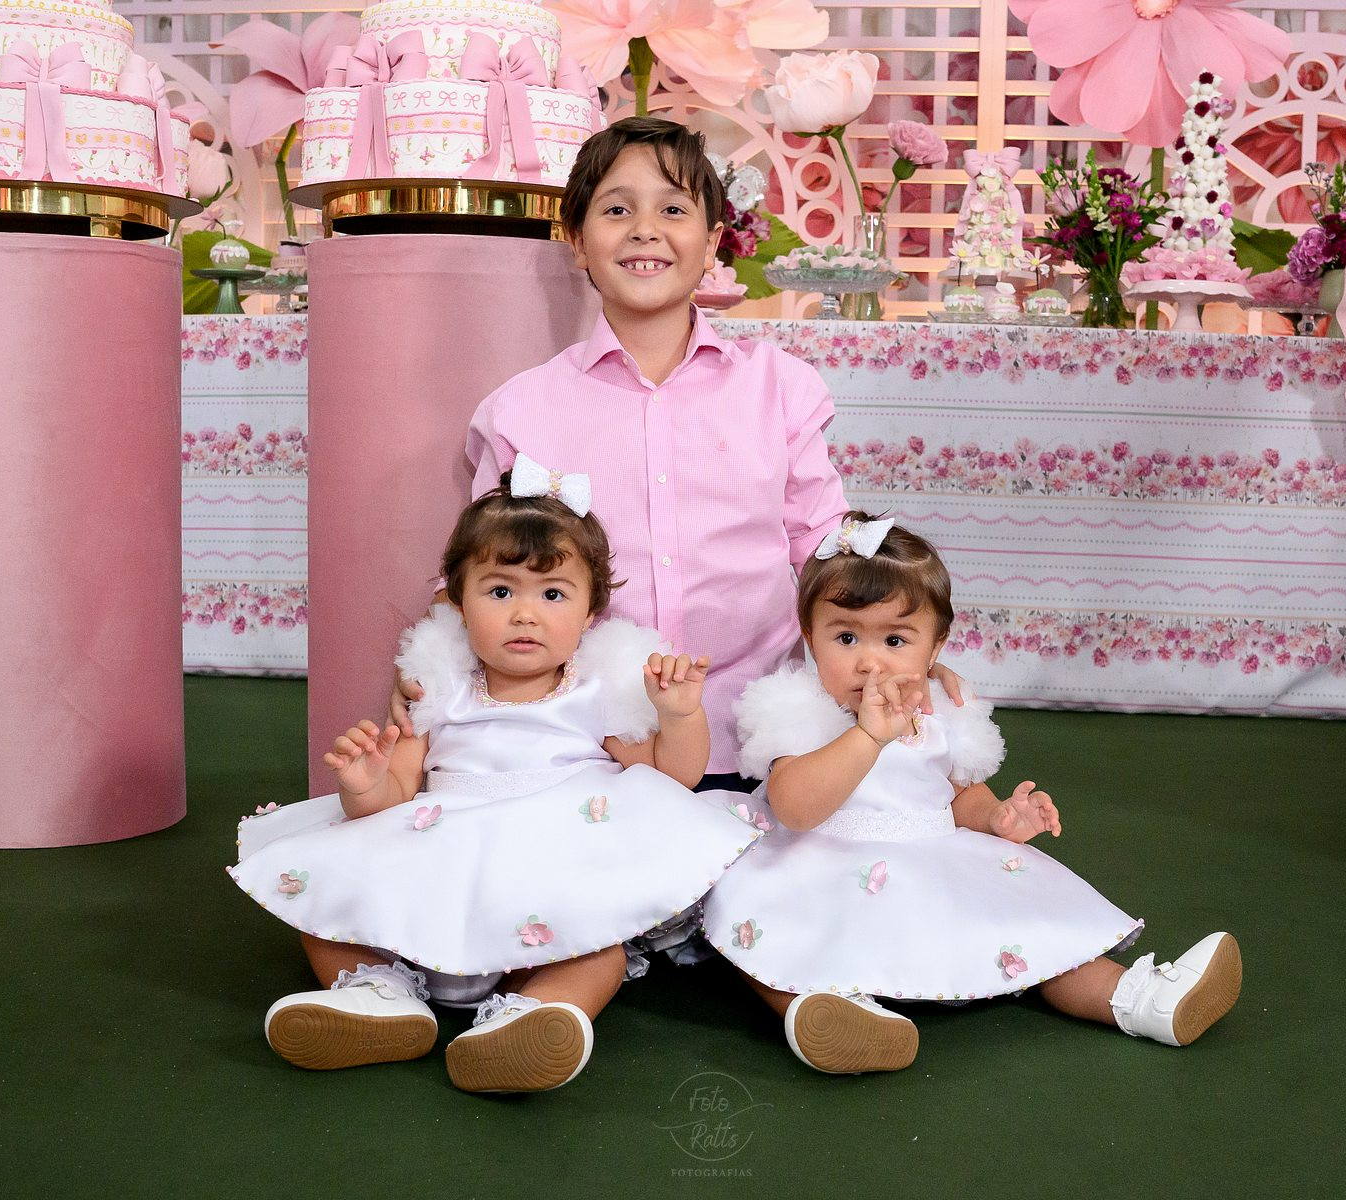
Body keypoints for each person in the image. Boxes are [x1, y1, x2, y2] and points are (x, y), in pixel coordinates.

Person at [388, 116, 965, 796]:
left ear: (712, 241)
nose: (644, 230)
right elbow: (485, 563)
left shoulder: (780, 387)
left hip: (763, 731)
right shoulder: (521, 409)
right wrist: (428, 666)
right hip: (593, 739)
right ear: (577, 241)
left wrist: (901, 649)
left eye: (672, 209)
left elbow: (828, 549)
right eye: (616, 210)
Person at [230, 460, 762, 1092]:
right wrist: (365, 783)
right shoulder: (439, 687)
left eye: (553, 594)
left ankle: (534, 1015)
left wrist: (679, 716)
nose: (525, 615)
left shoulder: (596, 690)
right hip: (444, 845)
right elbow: (394, 794)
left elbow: (670, 778)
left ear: (591, 612)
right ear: (458, 603)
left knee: (599, 946)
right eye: (501, 592)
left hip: (557, 857)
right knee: (324, 898)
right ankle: (379, 993)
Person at [703, 513, 1243, 1073]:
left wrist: (1000, 816)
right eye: (845, 638)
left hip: (931, 858)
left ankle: (1140, 1000)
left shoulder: (942, 710)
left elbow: (960, 795)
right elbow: (795, 807)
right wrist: (866, 736)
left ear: (935, 647)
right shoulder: (798, 706)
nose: (869, 661)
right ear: (809, 636)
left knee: (1037, 933)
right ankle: (839, 1016)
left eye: (895, 640)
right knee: (773, 937)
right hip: (820, 861)